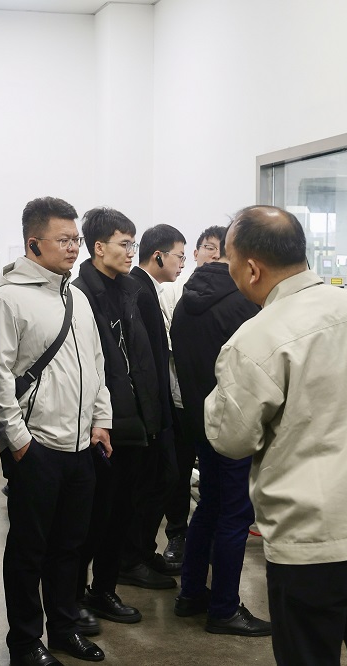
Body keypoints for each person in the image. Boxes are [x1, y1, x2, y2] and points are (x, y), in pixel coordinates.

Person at [206, 205, 347, 666]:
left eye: (229, 261)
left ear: (251, 269)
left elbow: (232, 439)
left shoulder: (255, 340)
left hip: (309, 545)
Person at [0, 196, 111, 666]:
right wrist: (18, 441)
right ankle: (24, 642)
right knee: (28, 551)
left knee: (70, 547)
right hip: (37, 448)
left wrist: (101, 419)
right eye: (64, 240)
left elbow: (95, 364)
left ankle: (64, 628)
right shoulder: (6, 300)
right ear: (34, 243)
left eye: (76, 239)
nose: (75, 248)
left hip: (81, 447)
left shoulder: (77, 297)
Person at [169, 225, 269, 636]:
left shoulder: (186, 300)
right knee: (234, 515)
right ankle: (225, 609)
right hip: (235, 424)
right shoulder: (243, 306)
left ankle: (191, 593)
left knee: (209, 507)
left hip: (199, 421)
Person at [72, 207, 162, 624]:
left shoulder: (131, 291)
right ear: (98, 247)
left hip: (134, 422)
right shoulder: (79, 294)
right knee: (92, 519)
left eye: (133, 244)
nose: (131, 252)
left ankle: (103, 591)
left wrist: (152, 417)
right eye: (124, 244)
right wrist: (100, 419)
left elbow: (142, 359)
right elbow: (91, 367)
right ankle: (73, 598)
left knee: (121, 514)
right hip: (101, 426)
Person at [158, 225, 225, 567]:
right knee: (178, 472)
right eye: (208, 247)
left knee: (215, 476)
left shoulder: (233, 296)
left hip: (218, 403)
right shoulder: (173, 292)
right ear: (196, 253)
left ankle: (208, 537)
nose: (214, 254)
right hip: (180, 399)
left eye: (220, 249)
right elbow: (171, 346)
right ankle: (177, 534)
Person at [124, 223, 186, 582]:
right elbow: (142, 362)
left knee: (160, 480)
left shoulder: (148, 289)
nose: (183, 263)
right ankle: (133, 560)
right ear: (158, 255)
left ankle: (144, 553)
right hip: (147, 412)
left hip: (156, 408)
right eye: (179, 256)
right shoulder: (139, 290)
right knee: (149, 485)